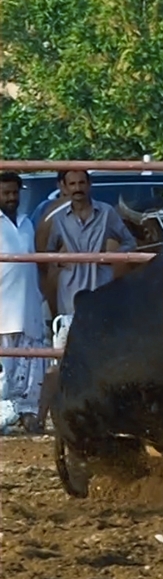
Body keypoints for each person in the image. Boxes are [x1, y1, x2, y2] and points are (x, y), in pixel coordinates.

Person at [41, 170, 137, 318]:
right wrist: (60, 261)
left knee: (102, 332)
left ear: (89, 185)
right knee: (71, 334)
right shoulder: (59, 218)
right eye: (72, 184)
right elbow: (50, 251)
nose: (77, 188)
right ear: (65, 188)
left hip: (101, 284)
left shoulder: (106, 212)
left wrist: (114, 256)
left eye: (81, 183)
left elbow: (130, 242)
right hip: (69, 289)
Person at [0, 172, 51, 434]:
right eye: (6, 193)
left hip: (28, 304)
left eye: (15, 192)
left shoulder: (26, 223)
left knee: (31, 366)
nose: (11, 198)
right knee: (4, 367)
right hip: (3, 308)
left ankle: (28, 414)